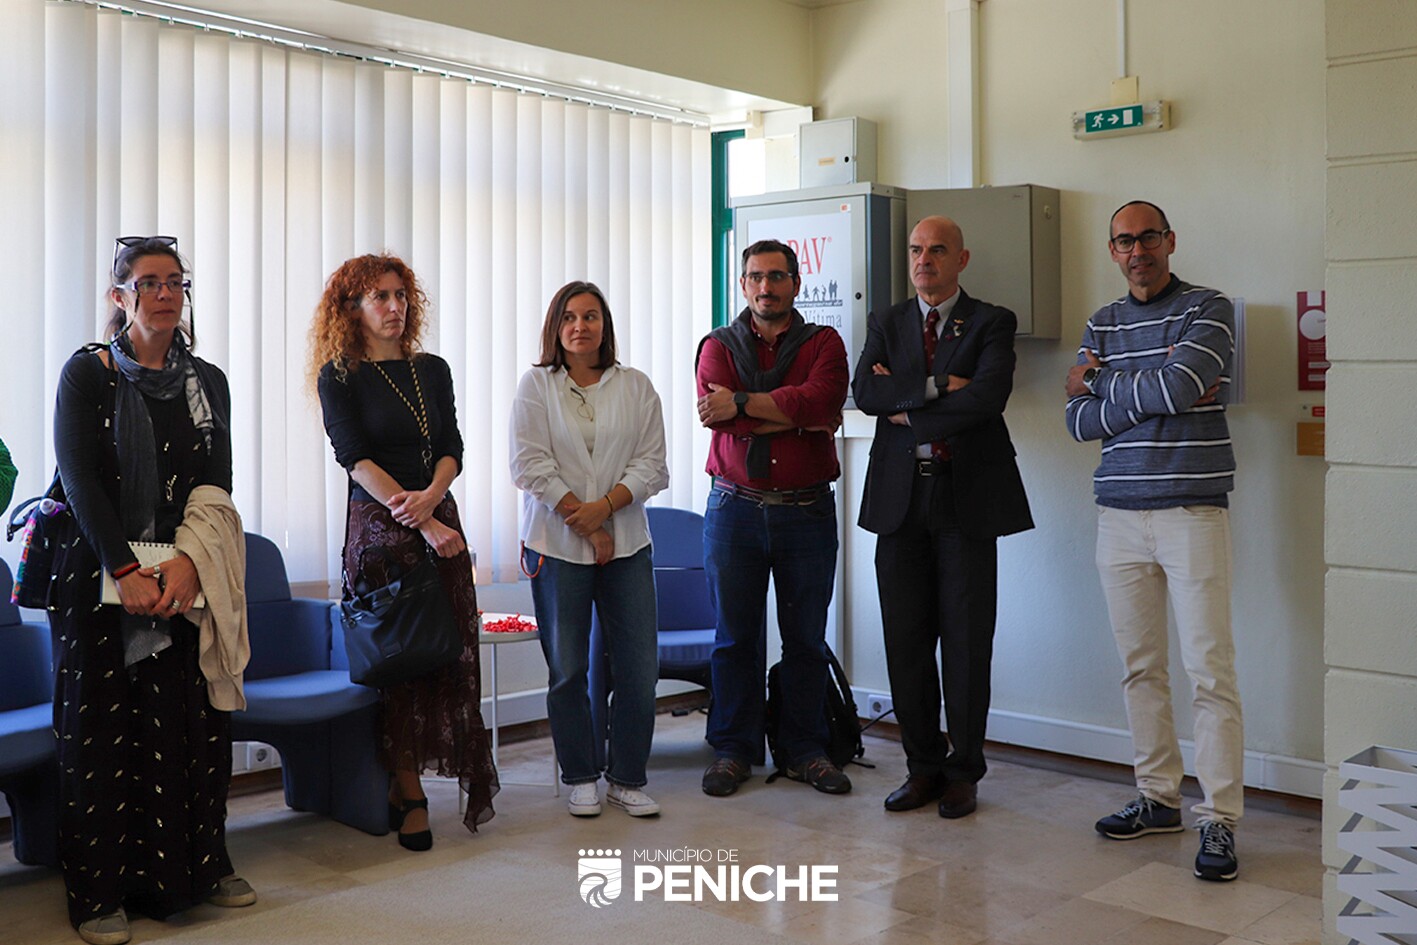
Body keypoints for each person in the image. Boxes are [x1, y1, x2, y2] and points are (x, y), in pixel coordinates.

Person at [50, 236, 253, 945]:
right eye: (148, 282)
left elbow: (217, 482)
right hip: (100, 574)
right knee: (103, 737)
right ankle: (99, 896)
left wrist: (191, 563)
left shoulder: (209, 382)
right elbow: (79, 479)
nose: (164, 293)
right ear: (120, 296)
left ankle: (201, 869)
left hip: (183, 575)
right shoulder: (89, 374)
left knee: (191, 726)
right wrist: (124, 570)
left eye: (175, 282)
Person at [1064, 200, 1243, 882]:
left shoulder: (1207, 308)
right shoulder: (1102, 322)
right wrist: (1155, 390)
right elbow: (1077, 421)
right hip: (1118, 513)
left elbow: (1181, 382)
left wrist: (1102, 382)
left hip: (1191, 510)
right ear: (1111, 250)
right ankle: (1158, 798)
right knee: (1140, 667)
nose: (1136, 250)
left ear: (1169, 241)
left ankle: (1219, 818)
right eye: (1123, 241)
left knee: (1209, 671)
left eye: (1146, 238)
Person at [312, 253, 498, 852]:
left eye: (400, 295)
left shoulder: (431, 370)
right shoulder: (339, 375)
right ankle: (410, 791)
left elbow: (451, 445)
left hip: (436, 514)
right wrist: (418, 518)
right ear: (353, 309)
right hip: (380, 526)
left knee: (450, 653)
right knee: (402, 663)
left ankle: (407, 781)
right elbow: (354, 458)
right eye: (380, 297)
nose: (395, 307)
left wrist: (434, 501)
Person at [853, 216, 1034, 820]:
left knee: (966, 643)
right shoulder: (886, 321)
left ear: (962, 258)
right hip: (899, 500)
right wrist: (937, 386)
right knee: (905, 642)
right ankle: (922, 767)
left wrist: (907, 405)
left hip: (965, 498)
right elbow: (866, 394)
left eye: (936, 250)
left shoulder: (991, 321)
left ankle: (963, 772)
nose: (923, 261)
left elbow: (987, 397)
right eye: (915, 250)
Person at [695, 239, 850, 797]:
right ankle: (733, 750)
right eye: (756, 277)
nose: (766, 287)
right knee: (735, 639)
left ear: (796, 283)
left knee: (805, 638)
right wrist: (795, 415)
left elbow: (822, 402)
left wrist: (742, 401)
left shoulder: (824, 342)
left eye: (777, 277)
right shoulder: (717, 345)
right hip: (733, 509)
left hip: (806, 511)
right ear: (743, 285)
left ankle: (805, 750)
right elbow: (718, 419)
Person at [510, 281, 669, 817]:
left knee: (639, 669)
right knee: (568, 669)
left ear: (606, 325)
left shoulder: (636, 386)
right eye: (570, 317)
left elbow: (653, 466)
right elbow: (529, 465)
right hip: (556, 545)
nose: (581, 326)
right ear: (556, 327)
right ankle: (580, 775)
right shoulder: (536, 386)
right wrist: (588, 521)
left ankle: (627, 778)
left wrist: (604, 509)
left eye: (591, 316)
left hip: (628, 545)